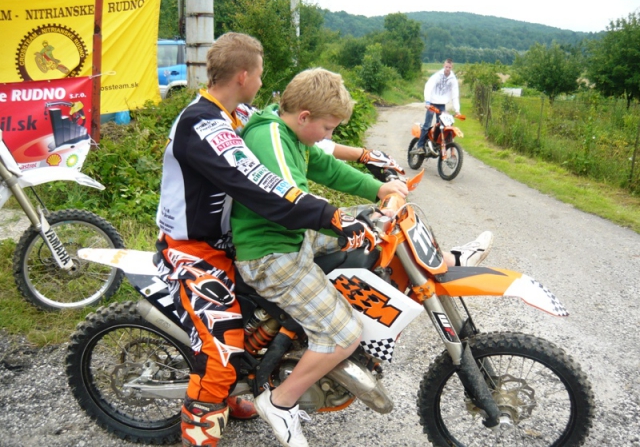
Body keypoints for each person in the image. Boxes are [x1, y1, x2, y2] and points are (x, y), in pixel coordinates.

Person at [230, 67, 492, 447]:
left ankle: (444, 260)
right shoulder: (270, 136)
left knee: (379, 234)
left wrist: (378, 189)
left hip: (292, 237)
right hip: (271, 254)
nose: (329, 136)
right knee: (343, 335)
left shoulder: (291, 134)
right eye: (328, 128)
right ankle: (280, 402)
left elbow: (327, 168)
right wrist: (341, 222)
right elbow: (291, 198)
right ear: (304, 116)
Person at [153, 33, 375, 447]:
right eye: (259, 73)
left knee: (253, 326)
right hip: (194, 251)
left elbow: (311, 140)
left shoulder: (236, 113)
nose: (262, 81)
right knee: (220, 351)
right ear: (244, 75)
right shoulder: (202, 124)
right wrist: (330, 215)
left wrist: (363, 156)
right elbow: (256, 182)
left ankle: (247, 386)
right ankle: (200, 433)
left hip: (226, 244)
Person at [414, 58, 460, 155]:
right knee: (427, 124)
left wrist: (457, 110)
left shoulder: (453, 79)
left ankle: (436, 143)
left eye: (449, 67)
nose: (447, 69)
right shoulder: (437, 76)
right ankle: (420, 146)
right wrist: (427, 102)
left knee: (442, 125)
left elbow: (455, 94)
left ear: (452, 67)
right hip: (432, 103)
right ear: (444, 66)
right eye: (446, 67)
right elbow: (428, 87)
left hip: (442, 104)